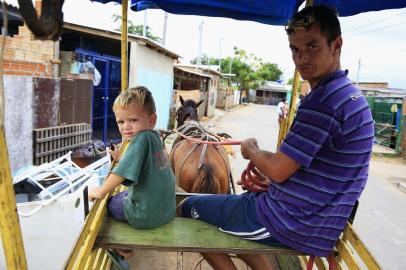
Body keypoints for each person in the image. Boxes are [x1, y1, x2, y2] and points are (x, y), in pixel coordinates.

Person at [177, 5, 374, 270]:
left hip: (290, 223)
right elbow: (310, 168)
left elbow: (280, 170)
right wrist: (273, 179)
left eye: (312, 47)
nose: (301, 58)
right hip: (312, 217)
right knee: (227, 206)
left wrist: (252, 151)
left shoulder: (323, 103)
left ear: (336, 45)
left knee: (188, 208)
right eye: (295, 49)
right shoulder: (348, 94)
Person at [89, 86, 176, 246]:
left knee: (112, 203)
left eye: (133, 120)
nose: (126, 127)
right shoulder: (154, 137)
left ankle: (120, 247)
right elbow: (141, 162)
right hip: (167, 211)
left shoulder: (140, 139)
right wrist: (121, 157)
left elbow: (120, 173)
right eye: (121, 122)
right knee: (127, 194)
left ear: (151, 120)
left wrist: (100, 191)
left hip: (144, 215)